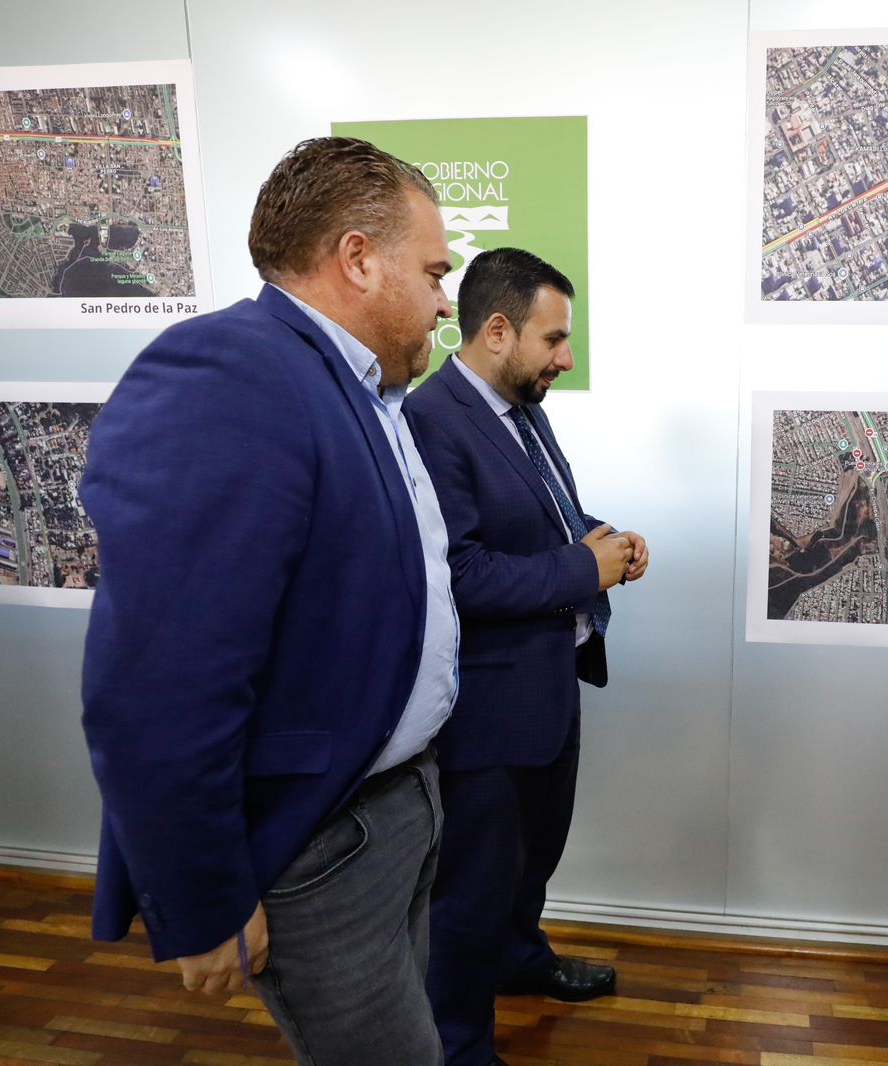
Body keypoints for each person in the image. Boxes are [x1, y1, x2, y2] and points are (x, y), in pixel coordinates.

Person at [79, 136, 459, 1065]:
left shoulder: (359, 390)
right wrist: (204, 896)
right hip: (318, 841)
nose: (446, 302)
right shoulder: (232, 374)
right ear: (359, 259)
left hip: (397, 805)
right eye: (433, 273)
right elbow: (160, 679)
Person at [403, 247, 646, 1066]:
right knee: (470, 895)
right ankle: (461, 1047)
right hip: (487, 712)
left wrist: (603, 540)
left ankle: (518, 962)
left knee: (530, 863)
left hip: (546, 690)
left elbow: (544, 519)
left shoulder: (521, 406)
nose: (566, 358)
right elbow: (460, 573)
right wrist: (583, 568)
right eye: (555, 338)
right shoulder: (433, 421)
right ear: (499, 331)